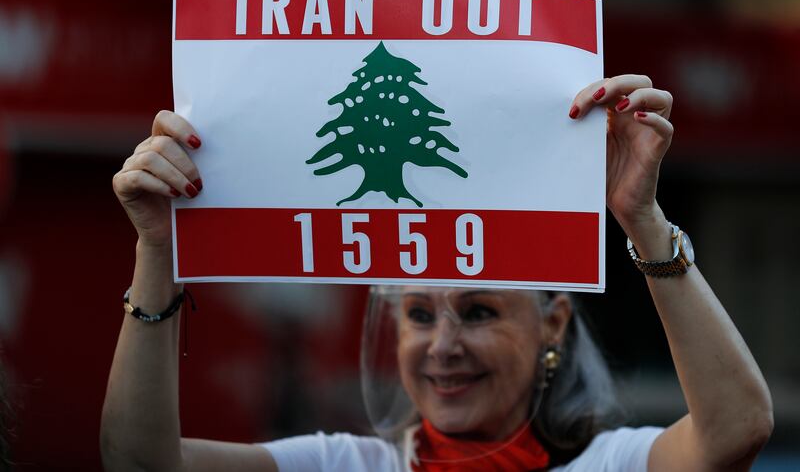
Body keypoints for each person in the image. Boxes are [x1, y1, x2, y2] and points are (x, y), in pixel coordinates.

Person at [100, 75, 773, 471]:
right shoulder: (347, 464)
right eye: (419, 313)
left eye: (478, 310)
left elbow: (738, 425)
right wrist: (158, 249)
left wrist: (642, 217)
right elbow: (138, 460)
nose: (443, 346)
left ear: (554, 321)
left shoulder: (613, 462)